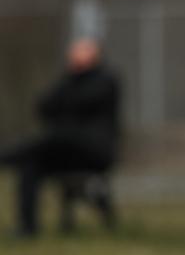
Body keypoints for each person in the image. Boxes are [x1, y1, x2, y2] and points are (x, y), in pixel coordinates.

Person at [0, 37, 119, 237]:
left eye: (82, 50)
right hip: (64, 152)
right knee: (31, 165)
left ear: (96, 54)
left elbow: (81, 102)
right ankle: (27, 228)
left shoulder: (106, 80)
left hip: (94, 151)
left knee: (56, 137)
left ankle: (5, 156)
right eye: (74, 51)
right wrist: (70, 80)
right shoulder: (68, 81)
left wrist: (68, 93)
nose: (75, 55)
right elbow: (44, 105)